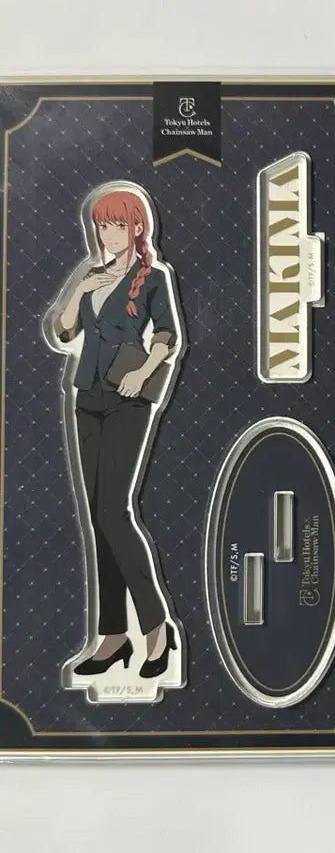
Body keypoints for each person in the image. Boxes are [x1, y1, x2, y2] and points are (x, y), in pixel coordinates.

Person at [48, 187, 181, 680]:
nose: (108, 233)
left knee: (114, 512)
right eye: (103, 225)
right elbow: (63, 331)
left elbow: (167, 336)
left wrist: (142, 372)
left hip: (129, 396)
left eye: (117, 225)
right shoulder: (90, 275)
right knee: (96, 518)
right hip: (87, 396)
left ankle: (156, 627)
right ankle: (112, 636)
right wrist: (80, 288)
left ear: (137, 227)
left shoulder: (153, 277)